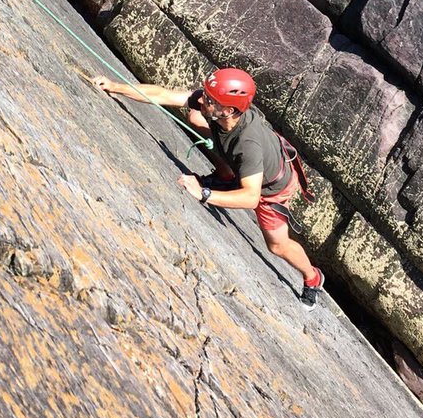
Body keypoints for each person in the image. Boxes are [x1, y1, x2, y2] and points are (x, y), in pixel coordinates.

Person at [93, 66, 325, 306]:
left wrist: (204, 193)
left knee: (276, 245)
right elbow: (165, 95)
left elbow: (250, 198)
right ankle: (226, 176)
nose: (202, 99)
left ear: (229, 109)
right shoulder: (219, 110)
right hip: (243, 164)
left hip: (270, 189)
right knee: (195, 116)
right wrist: (116, 87)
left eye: (210, 99)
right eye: (205, 93)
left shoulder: (247, 144)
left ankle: (312, 277)